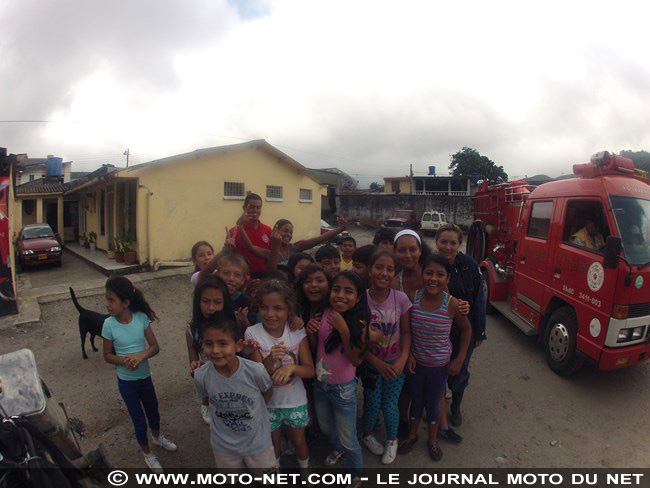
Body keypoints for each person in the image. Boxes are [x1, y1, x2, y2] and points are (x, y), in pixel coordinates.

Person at [397, 255, 471, 462]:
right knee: (416, 401)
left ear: (448, 279)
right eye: (429, 273)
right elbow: (406, 331)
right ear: (422, 275)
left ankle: (432, 440)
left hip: (439, 368)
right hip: (416, 364)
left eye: (440, 275)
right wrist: (409, 353)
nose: (433, 278)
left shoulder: (452, 304)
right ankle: (412, 436)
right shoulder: (413, 298)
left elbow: (466, 330)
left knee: (433, 404)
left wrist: (459, 359)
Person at [102, 276, 177, 473]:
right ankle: (147, 454)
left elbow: (154, 347)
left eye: (111, 300)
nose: (107, 304)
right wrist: (125, 360)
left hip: (145, 378)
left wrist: (140, 356)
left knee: (153, 411)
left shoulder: (141, 319)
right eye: (107, 299)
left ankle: (157, 437)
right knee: (138, 420)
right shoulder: (108, 325)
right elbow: (107, 356)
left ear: (126, 303)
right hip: (126, 383)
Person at [306, 271, 370, 487]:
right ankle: (338, 449)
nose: (341, 295)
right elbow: (317, 349)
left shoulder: (360, 324)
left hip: (343, 389)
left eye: (348, 291)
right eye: (336, 289)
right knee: (325, 427)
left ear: (359, 298)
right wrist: (311, 331)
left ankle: (355, 473)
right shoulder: (323, 313)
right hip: (320, 384)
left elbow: (355, 360)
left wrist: (343, 329)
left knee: (349, 437)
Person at [244, 280, 314, 475]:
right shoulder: (252, 333)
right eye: (264, 307)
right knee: (272, 443)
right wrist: (270, 361)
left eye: (278, 308)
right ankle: (274, 472)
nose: (270, 314)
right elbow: (258, 376)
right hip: (268, 403)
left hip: (295, 401)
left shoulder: (297, 331)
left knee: (299, 441)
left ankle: (305, 469)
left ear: (288, 310)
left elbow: (310, 370)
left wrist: (291, 367)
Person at [194, 313, 277, 473]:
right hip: (223, 446)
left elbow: (267, 392)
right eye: (209, 344)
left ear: (238, 345)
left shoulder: (256, 371)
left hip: (258, 443)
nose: (216, 350)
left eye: (223, 343)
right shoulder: (201, 375)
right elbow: (206, 396)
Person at [360, 250, 411, 465]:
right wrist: (377, 363)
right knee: (371, 404)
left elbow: (407, 333)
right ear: (370, 270)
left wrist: (401, 361)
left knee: (390, 405)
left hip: (395, 365)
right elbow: (357, 341)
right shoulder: (361, 299)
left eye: (390, 269)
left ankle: (392, 439)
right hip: (372, 365)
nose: (384, 273)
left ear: (395, 274)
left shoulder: (400, 299)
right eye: (379, 267)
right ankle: (367, 435)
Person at [435, 224, 486, 432]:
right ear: (436, 242)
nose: (448, 247)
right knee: (434, 370)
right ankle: (433, 404)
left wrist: (479, 330)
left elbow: (478, 299)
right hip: (435, 329)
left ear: (459, 244)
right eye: (443, 242)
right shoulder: (430, 264)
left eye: (452, 243)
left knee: (459, 368)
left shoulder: (470, 265)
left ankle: (455, 407)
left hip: (463, 330)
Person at [185, 275, 235, 424]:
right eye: (206, 301)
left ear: (225, 303)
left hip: (234, 378)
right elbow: (194, 370)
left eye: (217, 302)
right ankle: (206, 405)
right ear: (198, 302)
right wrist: (196, 367)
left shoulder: (234, 324)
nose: (211, 307)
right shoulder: (192, 330)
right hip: (211, 383)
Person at [237, 217, 348, 268]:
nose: (288, 235)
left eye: (291, 232)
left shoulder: (295, 248)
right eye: (285, 231)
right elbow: (250, 247)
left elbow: (320, 239)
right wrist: (240, 226)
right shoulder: (269, 253)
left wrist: (341, 229)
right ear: (275, 231)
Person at [229, 193, 272, 277]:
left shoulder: (268, 230)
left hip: (263, 277)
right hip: (241, 279)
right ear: (244, 208)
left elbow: (270, 256)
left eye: (258, 207)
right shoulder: (233, 232)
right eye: (252, 207)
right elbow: (229, 258)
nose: (255, 210)